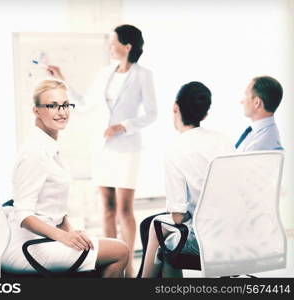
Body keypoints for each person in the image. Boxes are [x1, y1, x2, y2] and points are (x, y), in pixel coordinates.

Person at [47, 24, 157, 277]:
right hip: (103, 148)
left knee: (124, 208)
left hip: (127, 148)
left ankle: (129, 269)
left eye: (113, 42)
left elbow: (151, 114)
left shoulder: (143, 75)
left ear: (127, 46)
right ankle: (113, 262)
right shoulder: (104, 73)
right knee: (106, 206)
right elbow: (84, 104)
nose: (109, 47)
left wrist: (123, 126)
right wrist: (61, 78)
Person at [1, 79, 129, 277]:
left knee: (104, 246)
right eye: (52, 106)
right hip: (26, 247)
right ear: (36, 111)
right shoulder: (35, 152)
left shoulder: (49, 146)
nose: (61, 112)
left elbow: (53, 209)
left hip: (43, 239)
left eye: (65, 105)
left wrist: (72, 232)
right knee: (120, 251)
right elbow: (23, 215)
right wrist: (64, 237)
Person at [140, 81, 233, 278]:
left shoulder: (175, 149)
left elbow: (177, 216)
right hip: (237, 236)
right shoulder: (223, 140)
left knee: (159, 233)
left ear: (175, 107)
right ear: (205, 114)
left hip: (206, 241)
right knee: (158, 230)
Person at [235, 76, 283, 151]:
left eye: (246, 95)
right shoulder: (260, 133)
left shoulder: (260, 146)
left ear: (257, 102)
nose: (241, 102)